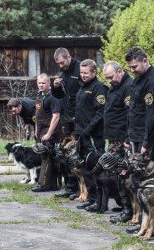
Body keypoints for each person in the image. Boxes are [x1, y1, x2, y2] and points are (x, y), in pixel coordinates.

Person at [113, 46, 154, 225]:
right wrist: (129, 137)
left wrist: (146, 142)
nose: (132, 70)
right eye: (130, 67)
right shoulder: (138, 79)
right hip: (135, 136)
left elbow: (153, 115)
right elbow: (133, 111)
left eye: (135, 66)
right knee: (137, 183)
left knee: (149, 184)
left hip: (147, 139)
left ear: (145, 61)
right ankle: (141, 221)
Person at [98, 61, 133, 214]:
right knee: (111, 172)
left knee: (122, 172)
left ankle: (128, 207)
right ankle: (119, 203)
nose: (109, 80)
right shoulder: (114, 86)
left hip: (121, 139)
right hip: (113, 138)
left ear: (120, 71)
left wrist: (127, 138)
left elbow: (131, 115)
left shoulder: (128, 86)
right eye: (107, 78)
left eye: (111, 77)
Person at [73, 59, 108, 209]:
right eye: (81, 73)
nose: (83, 75)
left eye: (86, 73)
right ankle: (91, 197)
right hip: (82, 133)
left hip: (93, 135)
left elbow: (100, 113)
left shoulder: (99, 87)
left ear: (94, 72)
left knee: (96, 168)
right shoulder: (82, 87)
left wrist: (88, 130)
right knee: (86, 168)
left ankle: (99, 201)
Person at [52, 48, 82, 198]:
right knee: (67, 154)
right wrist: (55, 86)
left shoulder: (80, 69)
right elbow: (58, 96)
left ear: (69, 57)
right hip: (67, 118)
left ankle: (84, 189)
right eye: (58, 64)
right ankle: (70, 187)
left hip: (80, 118)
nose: (60, 66)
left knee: (79, 153)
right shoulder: (62, 74)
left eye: (62, 63)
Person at [31, 73, 62, 192]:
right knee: (46, 156)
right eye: (39, 83)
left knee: (47, 155)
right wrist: (36, 130)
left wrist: (49, 134)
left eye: (44, 83)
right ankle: (52, 184)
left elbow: (56, 117)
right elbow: (37, 115)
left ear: (49, 83)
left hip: (50, 129)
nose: (41, 85)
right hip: (40, 129)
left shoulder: (53, 96)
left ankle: (43, 184)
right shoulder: (39, 95)